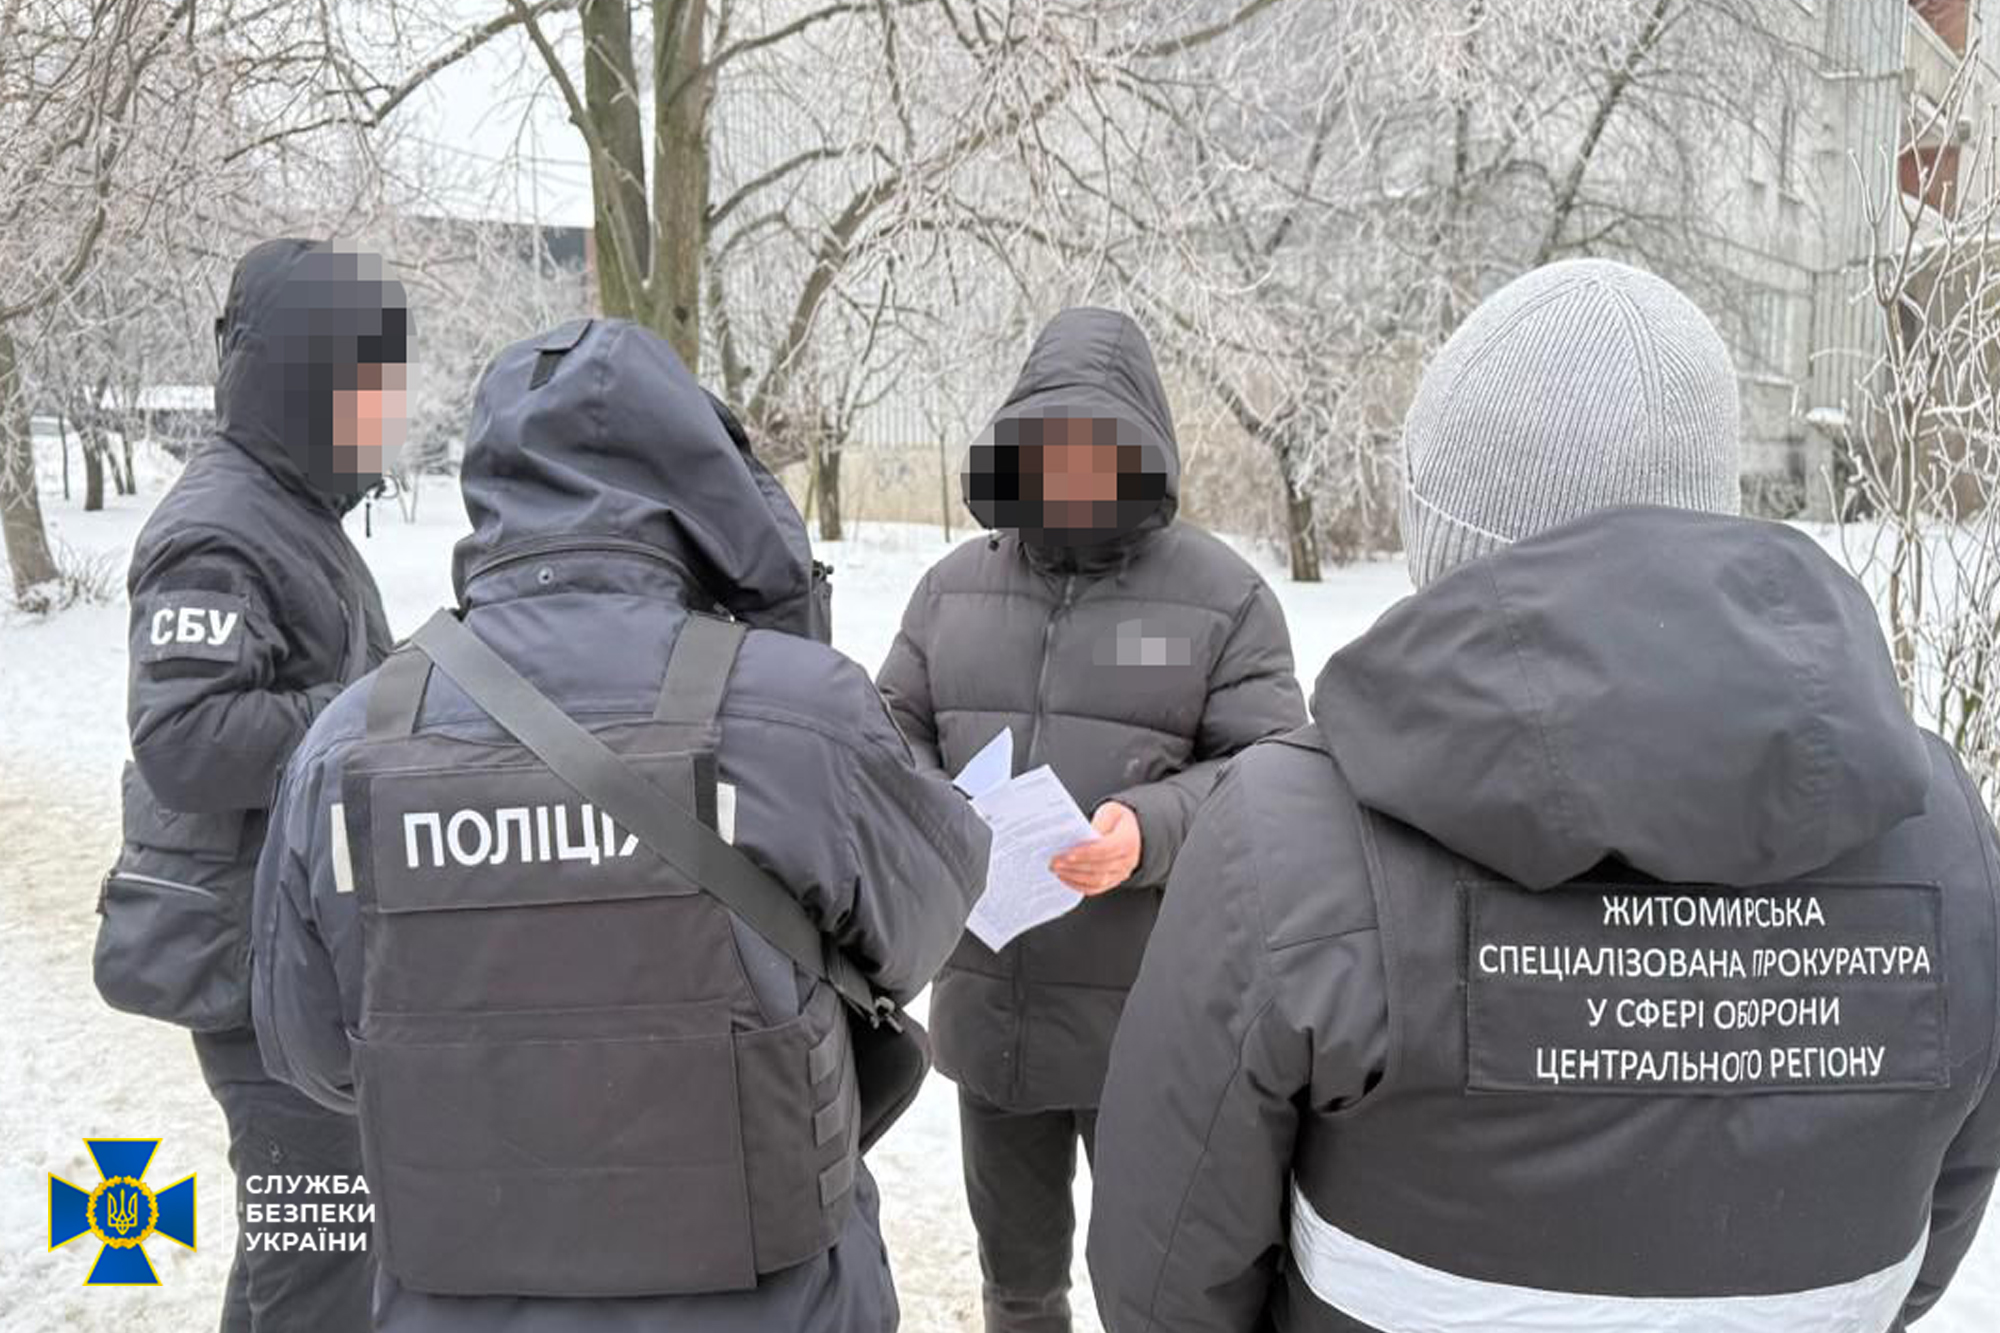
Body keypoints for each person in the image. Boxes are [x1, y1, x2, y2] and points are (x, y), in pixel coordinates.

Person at [1086, 258, 2000, 1332]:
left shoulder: (1292, 839)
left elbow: (1165, 1274)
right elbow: (1924, 1233)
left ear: (1443, 530)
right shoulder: (1941, 834)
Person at [250, 316, 990, 1332]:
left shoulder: (349, 739)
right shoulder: (797, 712)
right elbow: (922, 925)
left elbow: (309, 1046)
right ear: (698, 478)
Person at [877, 306, 1306, 1333]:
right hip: (993, 1018)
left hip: (1151, 1031)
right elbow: (885, 734)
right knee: (1019, 1286)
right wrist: (935, 807)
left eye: (1096, 445)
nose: (1069, 469)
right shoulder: (950, 592)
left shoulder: (1221, 598)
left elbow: (1274, 773)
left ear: (1139, 449)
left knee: (1156, 1292)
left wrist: (1148, 828)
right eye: (1047, 444)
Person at [100, 238, 407, 1331]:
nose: (385, 414)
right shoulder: (219, 522)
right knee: (316, 1262)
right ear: (302, 379)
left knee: (313, 1249)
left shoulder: (288, 513)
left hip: (292, 958)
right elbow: (185, 738)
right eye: (367, 386)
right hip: (256, 974)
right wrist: (373, 709)